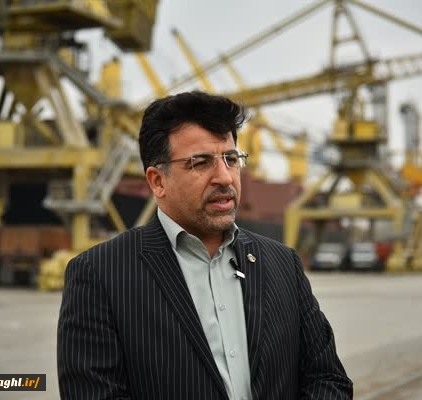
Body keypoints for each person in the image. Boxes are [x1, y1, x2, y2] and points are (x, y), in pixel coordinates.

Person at [57, 91, 353, 399]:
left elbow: (328, 379)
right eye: (200, 163)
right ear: (157, 181)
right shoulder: (100, 275)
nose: (224, 177)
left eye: (231, 159)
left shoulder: (283, 264)